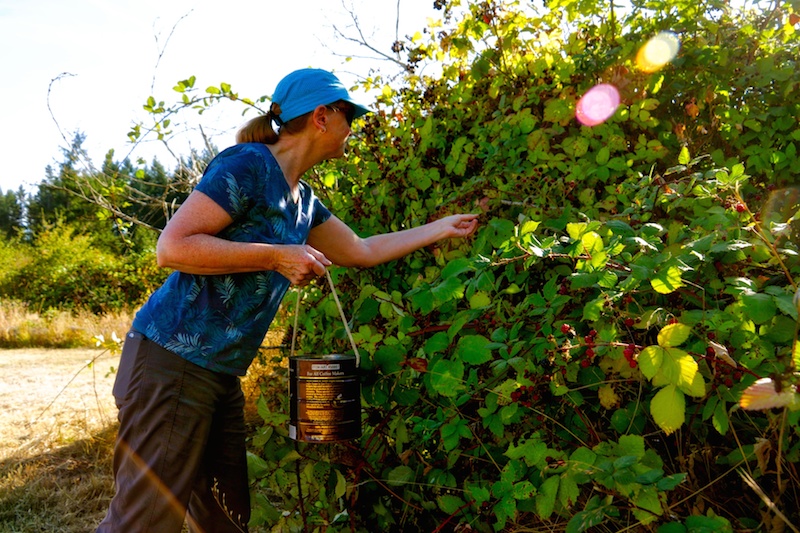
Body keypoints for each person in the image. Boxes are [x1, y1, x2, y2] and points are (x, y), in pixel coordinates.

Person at [96, 68, 479, 533]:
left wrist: (440, 228)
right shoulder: (248, 165)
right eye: (350, 116)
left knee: (225, 518)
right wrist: (278, 256)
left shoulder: (304, 202)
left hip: (218, 373)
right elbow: (172, 247)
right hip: (170, 362)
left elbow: (361, 250)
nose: (353, 127)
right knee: (144, 521)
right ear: (321, 117)